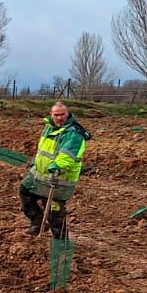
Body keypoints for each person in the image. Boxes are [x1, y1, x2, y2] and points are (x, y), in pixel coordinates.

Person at [20, 102, 90, 239]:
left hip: (59, 177)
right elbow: (46, 150)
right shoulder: (49, 127)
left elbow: (68, 154)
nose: (59, 118)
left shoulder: (74, 133)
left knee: (54, 211)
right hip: (40, 174)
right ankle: (38, 223)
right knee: (25, 191)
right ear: (51, 115)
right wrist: (38, 161)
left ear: (68, 114)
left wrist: (57, 166)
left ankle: (61, 240)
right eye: (56, 115)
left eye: (62, 114)